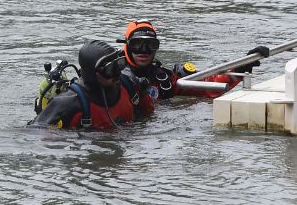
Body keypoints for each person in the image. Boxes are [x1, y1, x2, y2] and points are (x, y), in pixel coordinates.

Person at [120, 20, 269, 99]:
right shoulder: (110, 75)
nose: (143, 51)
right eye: (137, 44)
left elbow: (207, 87)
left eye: (150, 45)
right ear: (126, 45)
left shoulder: (163, 80)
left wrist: (240, 67)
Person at [32, 40, 156, 129]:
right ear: (92, 74)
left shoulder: (129, 85)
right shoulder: (67, 104)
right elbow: (34, 134)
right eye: (109, 69)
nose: (118, 73)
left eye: (119, 64)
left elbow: (150, 116)